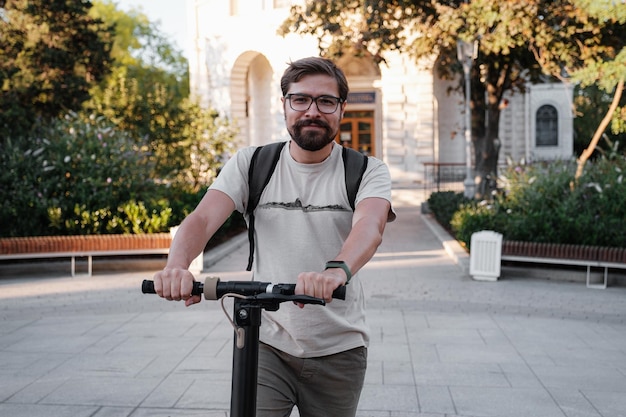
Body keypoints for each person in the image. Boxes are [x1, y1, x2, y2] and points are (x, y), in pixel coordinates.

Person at [153, 56, 395, 417]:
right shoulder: (252, 163)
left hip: (340, 348)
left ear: (341, 109)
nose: (312, 110)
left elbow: (369, 226)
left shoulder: (366, 170)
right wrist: (176, 267)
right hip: (266, 343)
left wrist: (334, 273)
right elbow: (202, 219)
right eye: (300, 99)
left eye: (326, 101)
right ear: (284, 104)